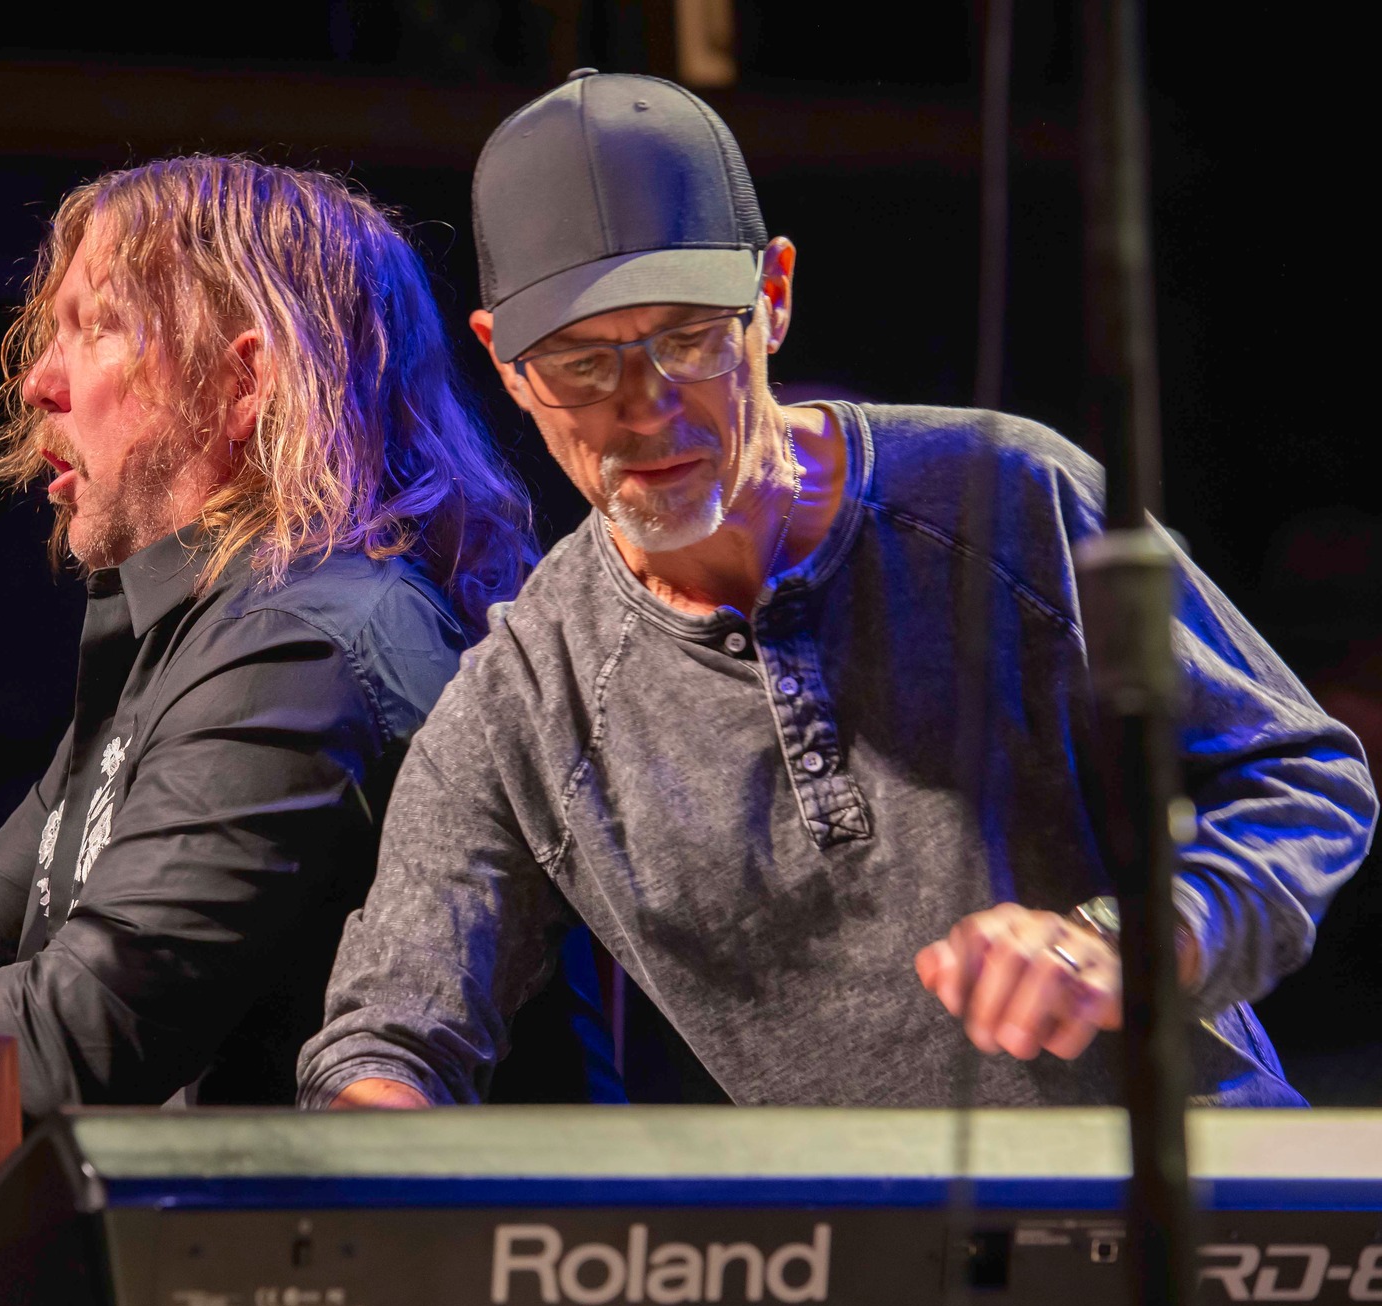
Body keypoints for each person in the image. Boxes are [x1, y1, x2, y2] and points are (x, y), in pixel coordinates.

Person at [298, 71, 1376, 1110]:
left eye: (683, 339)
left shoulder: (1002, 497)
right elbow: (386, 1034)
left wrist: (1120, 938)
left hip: (1188, 1223)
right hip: (874, 1283)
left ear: (770, 297)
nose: (642, 408)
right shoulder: (523, 703)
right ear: (505, 363)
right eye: (582, 363)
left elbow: (1302, 775)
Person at [0, 156, 538, 1120]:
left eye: (98, 327)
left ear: (245, 382)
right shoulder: (191, 641)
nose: (40, 382)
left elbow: (73, 1036)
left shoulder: (301, 648)